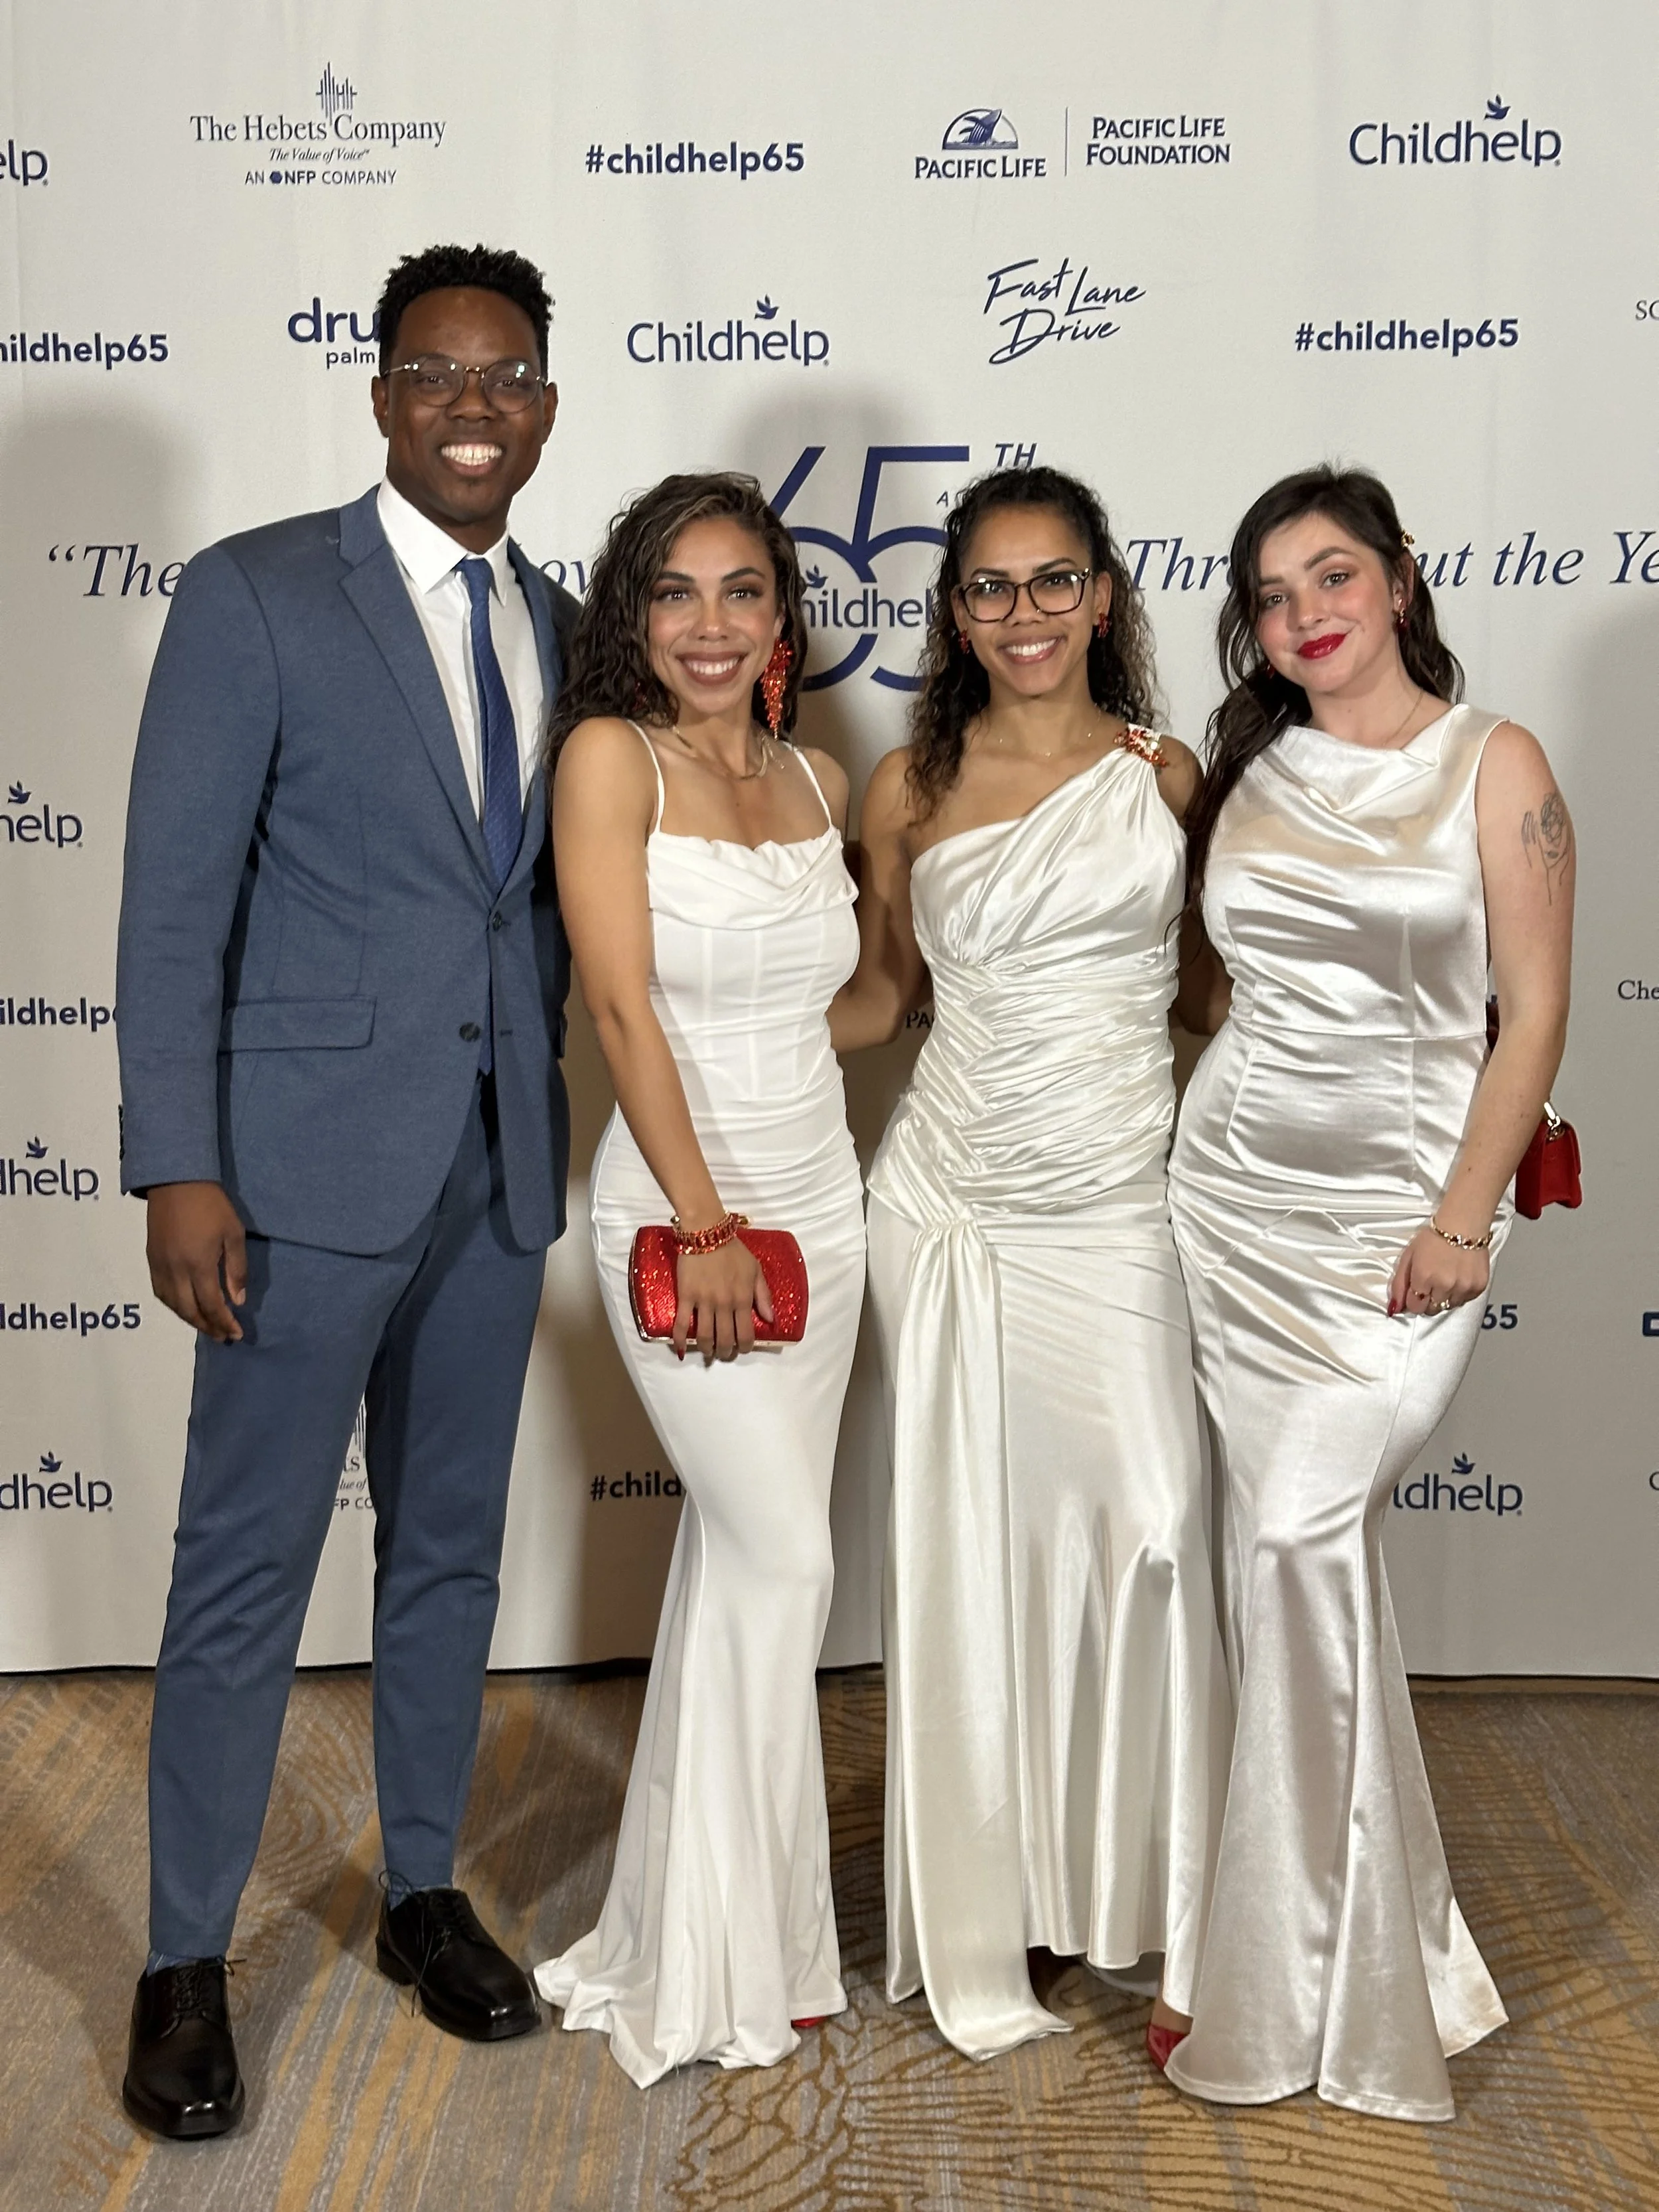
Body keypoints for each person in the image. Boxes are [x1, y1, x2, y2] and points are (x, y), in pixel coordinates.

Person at [114, 244, 578, 2139]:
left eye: (506, 376)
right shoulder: (254, 595)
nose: (474, 405)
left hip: (496, 1170)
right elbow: (170, 904)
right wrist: (179, 1161)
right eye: (438, 375)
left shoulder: (561, 618)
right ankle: (181, 1958)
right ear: (382, 397)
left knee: (447, 1551)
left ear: (543, 407)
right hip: (296, 1173)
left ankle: (418, 1889)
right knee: (244, 1566)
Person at [1166, 465, 1573, 2121]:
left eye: (1330, 575)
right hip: (1229, 1208)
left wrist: (1465, 1215)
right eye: (1269, 596)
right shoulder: (1246, 767)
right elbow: (1217, 990)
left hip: (1406, 1221)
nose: (1304, 614)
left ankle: (1306, 1983)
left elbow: (1532, 1011)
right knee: (1291, 1580)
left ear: (1399, 579)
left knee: (1297, 1544)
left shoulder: (1496, 763)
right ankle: (1364, 1956)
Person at [832, 466, 1230, 2067]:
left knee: (1151, 1529)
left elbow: (1203, 992)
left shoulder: (1166, 774)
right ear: (955, 611)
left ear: (1102, 595)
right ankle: (1001, 1900)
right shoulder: (904, 787)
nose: (1022, 614)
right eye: (988, 588)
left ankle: (1164, 1901)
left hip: (1116, 1201)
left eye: (1051, 580)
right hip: (948, 1210)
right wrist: (698, 1028)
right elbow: (884, 997)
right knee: (973, 1556)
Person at [533, 473, 864, 2086]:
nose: (711, 625)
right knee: (787, 1560)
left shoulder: (819, 774)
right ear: (633, 616)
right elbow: (619, 1011)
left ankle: (745, 1943)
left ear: (782, 615)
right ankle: (711, 1951)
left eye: (742, 591)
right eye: (676, 593)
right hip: (687, 1219)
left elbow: (842, 1007)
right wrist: (708, 1219)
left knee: (741, 1572)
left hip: (828, 1212)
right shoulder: (612, 758)